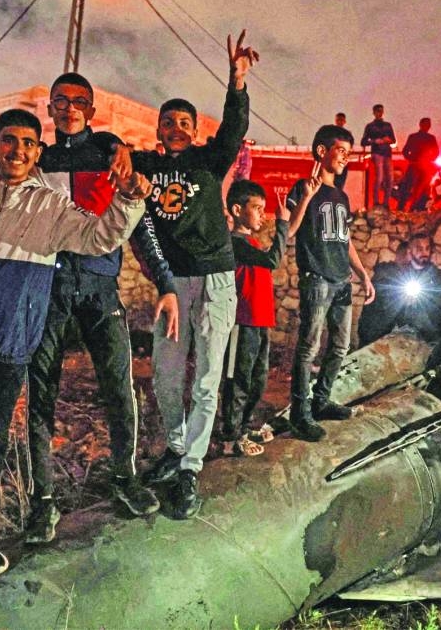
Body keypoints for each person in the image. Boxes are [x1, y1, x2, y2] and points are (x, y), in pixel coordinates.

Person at [0, 7, 174, 545]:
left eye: (76, 103)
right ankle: (43, 501)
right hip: (47, 289)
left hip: (99, 285)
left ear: (90, 108)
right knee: (41, 395)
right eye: (57, 102)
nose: (66, 110)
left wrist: (168, 285)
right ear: (49, 109)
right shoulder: (32, 155)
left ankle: (125, 478)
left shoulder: (110, 152)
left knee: (118, 387)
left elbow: (137, 224)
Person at [0, 106, 151, 596]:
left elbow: (97, 236)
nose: (17, 150)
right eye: (8, 140)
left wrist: (128, 203)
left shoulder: (50, 207)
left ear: (37, 152)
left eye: (27, 143)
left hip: (12, 344)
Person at [134, 30, 257, 520]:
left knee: (207, 377)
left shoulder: (211, 159)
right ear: (160, 128)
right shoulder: (145, 165)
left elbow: (233, 127)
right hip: (171, 285)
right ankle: (175, 445)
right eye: (170, 122)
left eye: (186, 122)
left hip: (216, 280)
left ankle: (191, 467)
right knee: (165, 373)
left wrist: (237, 81)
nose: (178, 127)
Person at [286, 125, 376, 441]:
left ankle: (321, 400)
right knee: (309, 347)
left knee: (340, 346)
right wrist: (307, 197)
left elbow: (345, 239)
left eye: (348, 153)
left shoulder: (341, 196)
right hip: (317, 278)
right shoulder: (302, 188)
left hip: (341, 281)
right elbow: (289, 231)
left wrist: (362, 273)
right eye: (340, 151)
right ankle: (300, 413)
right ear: (322, 151)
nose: (345, 158)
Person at [219, 179, 289, 457]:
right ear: (237, 209)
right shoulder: (235, 243)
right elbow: (273, 260)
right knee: (238, 380)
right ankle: (231, 436)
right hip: (243, 321)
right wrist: (282, 225)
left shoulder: (253, 241)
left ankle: (245, 428)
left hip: (260, 321)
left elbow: (273, 253)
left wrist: (293, 214)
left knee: (258, 380)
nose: (262, 213)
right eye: (257, 208)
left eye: (263, 208)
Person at [393, 232, 441, 367]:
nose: (424, 252)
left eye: (427, 248)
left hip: (435, 338)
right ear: (409, 251)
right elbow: (390, 307)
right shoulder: (400, 275)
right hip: (408, 337)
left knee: (437, 379)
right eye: (419, 248)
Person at [360, 104, 396, 208]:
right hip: (377, 153)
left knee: (390, 179)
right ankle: (376, 202)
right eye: (377, 111)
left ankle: (386, 203)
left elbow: (393, 140)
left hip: (387, 154)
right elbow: (363, 141)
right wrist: (375, 141)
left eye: (381, 111)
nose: (379, 113)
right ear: (374, 113)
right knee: (379, 177)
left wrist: (387, 140)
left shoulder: (388, 125)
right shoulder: (370, 126)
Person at [401, 118, 439, 211]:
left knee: (421, 188)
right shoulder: (420, 137)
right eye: (426, 124)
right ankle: (407, 207)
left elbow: (436, 152)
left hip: (422, 166)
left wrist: (429, 159)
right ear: (420, 125)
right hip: (417, 165)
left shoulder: (427, 138)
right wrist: (412, 160)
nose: (427, 126)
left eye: (428, 125)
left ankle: (415, 207)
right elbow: (405, 151)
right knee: (409, 186)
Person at [334, 112, 349, 190]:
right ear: (335, 121)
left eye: (341, 120)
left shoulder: (347, 134)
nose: (340, 122)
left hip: (343, 160)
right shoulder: (331, 133)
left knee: (340, 182)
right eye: (338, 120)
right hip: (333, 159)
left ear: (344, 121)